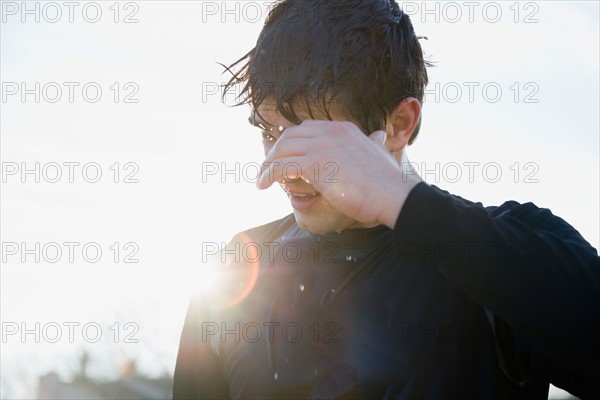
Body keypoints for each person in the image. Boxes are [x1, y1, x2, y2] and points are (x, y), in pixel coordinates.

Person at [172, 0, 600, 398]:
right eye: (269, 133)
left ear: (399, 124)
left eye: (312, 140)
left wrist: (402, 201)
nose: (282, 166)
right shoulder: (237, 270)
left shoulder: (507, 249)